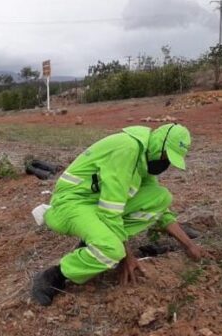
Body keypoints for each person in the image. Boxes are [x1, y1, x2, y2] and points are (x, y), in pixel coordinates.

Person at [31, 123, 211, 306]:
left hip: (94, 204)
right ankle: (56, 274)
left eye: (170, 159)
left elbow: (160, 210)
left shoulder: (145, 157)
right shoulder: (128, 149)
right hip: (71, 203)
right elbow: (111, 209)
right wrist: (127, 256)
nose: (165, 162)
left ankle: (98, 239)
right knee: (112, 251)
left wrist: (188, 245)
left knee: (161, 197)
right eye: (165, 155)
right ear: (159, 143)